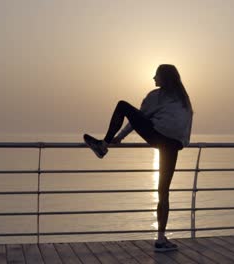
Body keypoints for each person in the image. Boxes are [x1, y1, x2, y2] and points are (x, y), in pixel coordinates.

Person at [83, 64, 193, 252]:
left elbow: (137, 119)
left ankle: (103, 146)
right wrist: (182, 143)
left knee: (122, 105)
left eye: (156, 75)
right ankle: (160, 240)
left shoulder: (157, 96)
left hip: (159, 136)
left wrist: (118, 138)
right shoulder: (184, 99)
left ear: (164, 78)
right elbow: (184, 128)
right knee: (163, 192)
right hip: (173, 145)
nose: (153, 78)